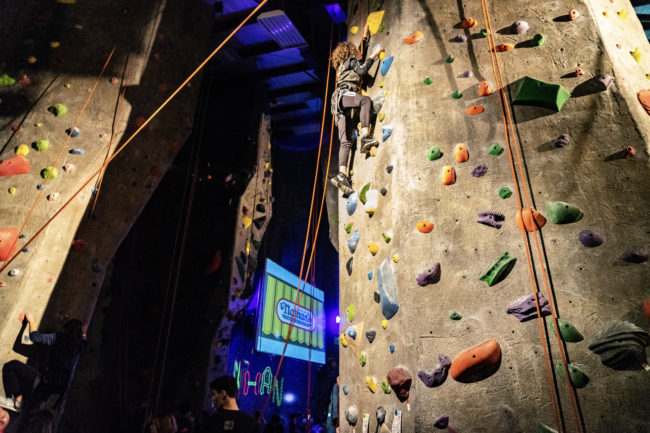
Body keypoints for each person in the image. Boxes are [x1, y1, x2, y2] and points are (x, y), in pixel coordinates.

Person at [330, 26, 384, 195]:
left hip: (337, 104)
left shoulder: (344, 64)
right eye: (356, 50)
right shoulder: (352, 60)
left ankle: (342, 175)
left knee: (345, 142)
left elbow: (358, 57)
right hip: (345, 94)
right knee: (365, 101)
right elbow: (361, 68)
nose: (359, 53)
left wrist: (365, 38)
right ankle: (366, 137)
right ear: (351, 52)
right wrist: (374, 56)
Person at [1, 313, 87, 411]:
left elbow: (34, 337)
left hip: (46, 380)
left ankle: (15, 403)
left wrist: (30, 320)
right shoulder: (79, 347)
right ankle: (23, 403)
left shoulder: (58, 338)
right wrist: (83, 331)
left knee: (11, 366)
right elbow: (85, 340)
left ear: (66, 329)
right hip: (57, 388)